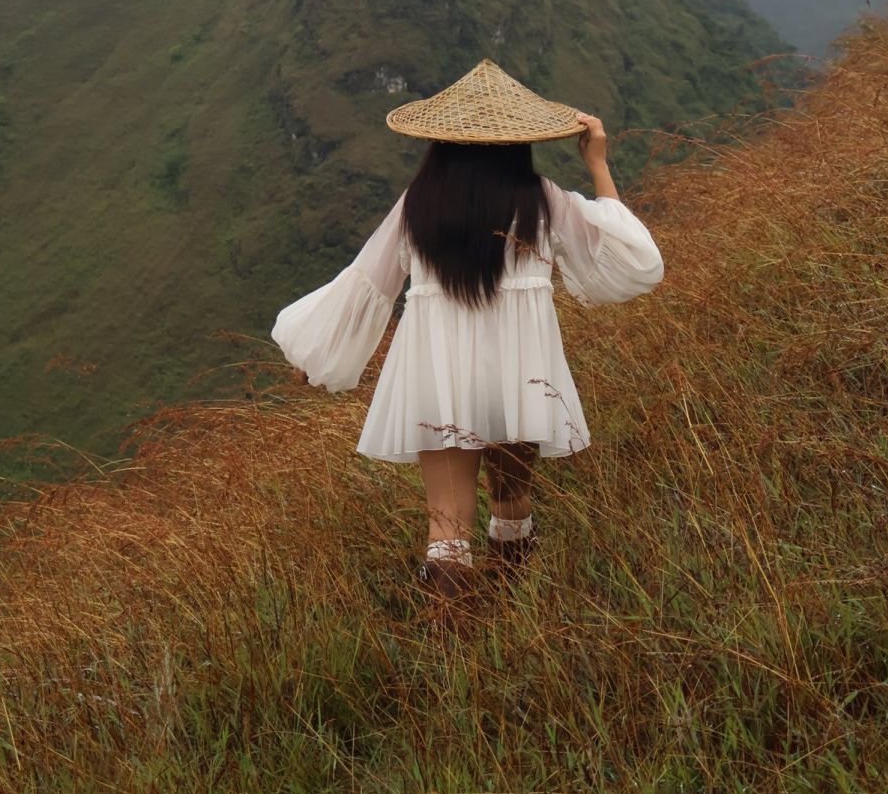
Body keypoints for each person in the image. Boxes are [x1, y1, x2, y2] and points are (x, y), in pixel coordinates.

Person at [270, 58, 664, 613]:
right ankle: (512, 618)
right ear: (518, 143)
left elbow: (367, 285)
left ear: (440, 142)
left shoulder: (419, 204)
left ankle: (451, 638)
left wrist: (315, 356)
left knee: (447, 527)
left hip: (438, 372)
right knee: (512, 502)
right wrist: (598, 164)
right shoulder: (542, 199)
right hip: (521, 371)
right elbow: (636, 264)